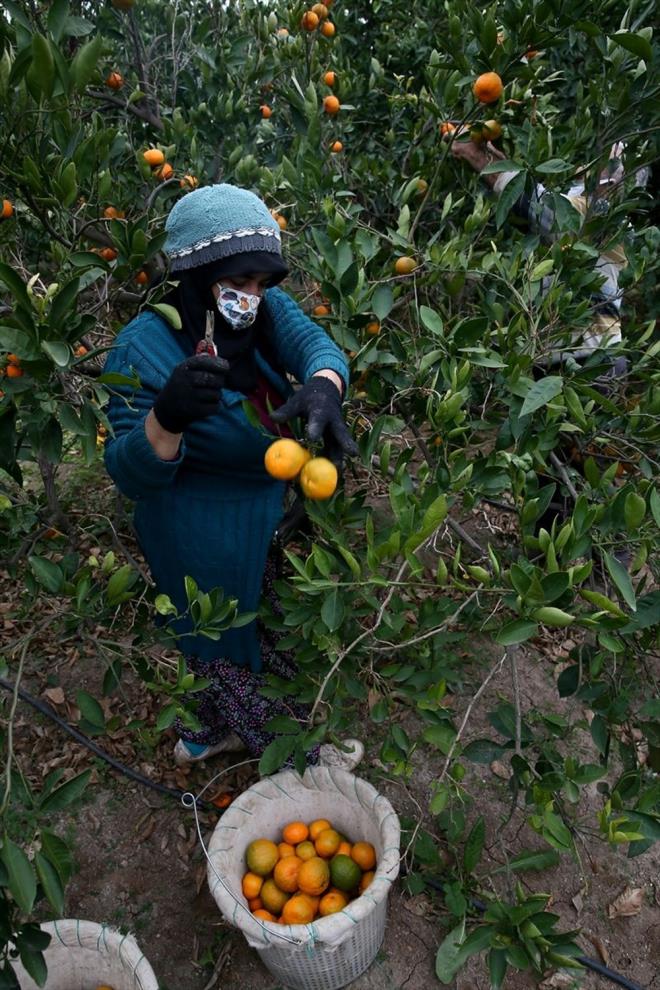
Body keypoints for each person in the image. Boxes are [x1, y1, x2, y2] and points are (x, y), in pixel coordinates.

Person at [102, 183, 363, 771]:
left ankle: (208, 730)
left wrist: (325, 382)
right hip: (199, 530)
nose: (253, 297)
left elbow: (314, 344)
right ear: (196, 276)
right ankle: (289, 754)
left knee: (274, 628)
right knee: (223, 639)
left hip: (266, 511)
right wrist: (164, 420)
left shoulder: (263, 311)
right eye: (238, 284)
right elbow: (130, 474)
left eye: (262, 284)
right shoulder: (140, 351)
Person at [450, 138, 638, 375]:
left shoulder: (603, 219)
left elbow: (536, 204)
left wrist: (476, 155)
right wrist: (490, 153)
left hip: (593, 362)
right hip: (549, 358)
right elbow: (532, 205)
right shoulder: (578, 219)